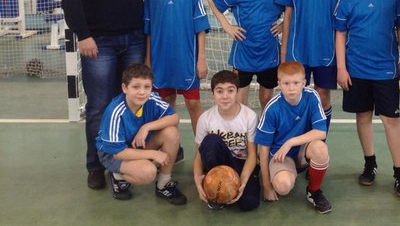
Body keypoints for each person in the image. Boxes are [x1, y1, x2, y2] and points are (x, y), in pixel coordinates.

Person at [62, 0, 159, 190]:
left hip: (134, 39)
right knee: (99, 106)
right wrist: (83, 35)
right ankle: (96, 165)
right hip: (99, 43)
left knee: (132, 102)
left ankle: (124, 160)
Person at [334, 0, 400, 198]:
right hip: (356, 70)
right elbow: (340, 34)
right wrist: (341, 68)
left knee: (391, 120)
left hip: (385, 70)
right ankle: (370, 163)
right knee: (363, 116)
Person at [275, 0, 351, 131]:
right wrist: (283, 51)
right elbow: (287, 15)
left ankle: (318, 142)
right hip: (298, 48)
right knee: (295, 96)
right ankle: (297, 143)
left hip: (327, 49)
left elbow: (344, 19)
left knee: (322, 95)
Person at [144, 0, 211, 160]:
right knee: (166, 105)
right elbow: (148, 32)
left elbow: (200, 29)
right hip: (161, 60)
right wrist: (148, 60)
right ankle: (174, 149)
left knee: (193, 104)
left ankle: (203, 153)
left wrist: (201, 59)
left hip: (186, 60)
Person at [95, 63, 187, 205]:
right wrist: (153, 154)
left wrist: (146, 127)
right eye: (136, 87)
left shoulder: (151, 100)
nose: (142, 92)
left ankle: (164, 184)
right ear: (125, 88)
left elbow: (174, 118)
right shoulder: (115, 112)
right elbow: (118, 153)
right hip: (112, 154)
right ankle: (118, 176)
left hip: (136, 145)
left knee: (171, 132)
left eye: (147, 87)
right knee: (148, 172)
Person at [208, 0, 284, 111]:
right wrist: (227, 26)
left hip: (269, 52)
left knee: (266, 99)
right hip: (244, 52)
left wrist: (283, 25)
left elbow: (294, 9)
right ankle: (244, 129)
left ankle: (265, 127)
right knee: (240, 102)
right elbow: (212, 0)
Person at [256, 61, 332, 214]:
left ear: (304, 83)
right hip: (281, 155)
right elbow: (263, 150)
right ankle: (280, 172)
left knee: (320, 148)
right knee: (283, 187)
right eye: (286, 83)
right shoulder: (272, 108)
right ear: (279, 84)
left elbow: (321, 132)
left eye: (296, 83)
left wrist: (291, 142)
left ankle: (314, 191)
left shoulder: (312, 97)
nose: (291, 88)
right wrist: (267, 186)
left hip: (302, 150)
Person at [193, 70, 260, 211]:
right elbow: (199, 153)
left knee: (249, 203)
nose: (225, 96)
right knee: (211, 141)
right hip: (217, 163)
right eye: (219, 91)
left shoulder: (249, 117)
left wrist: (242, 182)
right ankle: (214, 183)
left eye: (230, 90)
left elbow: (252, 155)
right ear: (212, 93)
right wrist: (197, 180)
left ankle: (227, 190)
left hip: (239, 163)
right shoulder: (205, 118)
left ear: (237, 92)